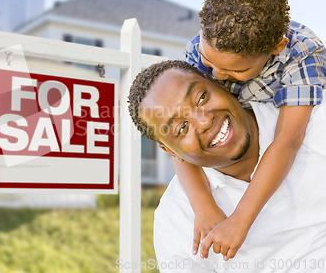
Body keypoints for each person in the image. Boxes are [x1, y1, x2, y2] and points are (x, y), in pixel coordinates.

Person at [179, 0, 326, 260]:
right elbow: (176, 132)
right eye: (209, 62)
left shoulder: (303, 54)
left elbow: (288, 139)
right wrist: (203, 204)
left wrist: (240, 220)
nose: (216, 75)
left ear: (276, 48)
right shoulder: (199, 49)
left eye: (236, 71)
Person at [128, 60, 326, 272]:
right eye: (182, 128)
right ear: (171, 152)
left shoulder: (314, 121)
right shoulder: (177, 218)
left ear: (220, 84)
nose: (203, 122)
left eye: (201, 98)